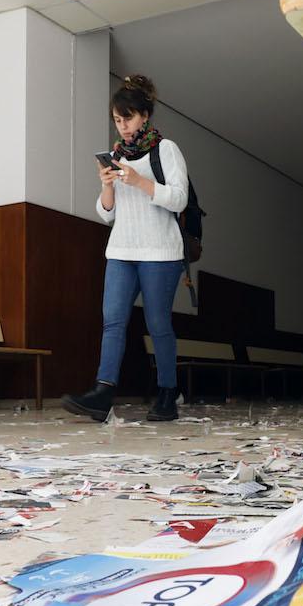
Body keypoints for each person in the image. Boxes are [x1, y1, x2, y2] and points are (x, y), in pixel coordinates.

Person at [62, 74, 189, 423]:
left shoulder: (166, 150)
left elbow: (179, 199)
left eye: (128, 118)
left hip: (160, 252)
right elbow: (107, 213)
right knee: (113, 322)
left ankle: (167, 395)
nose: (123, 127)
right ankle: (103, 393)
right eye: (117, 121)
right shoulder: (116, 154)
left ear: (144, 115)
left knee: (158, 323)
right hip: (121, 249)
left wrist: (140, 182)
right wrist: (107, 187)